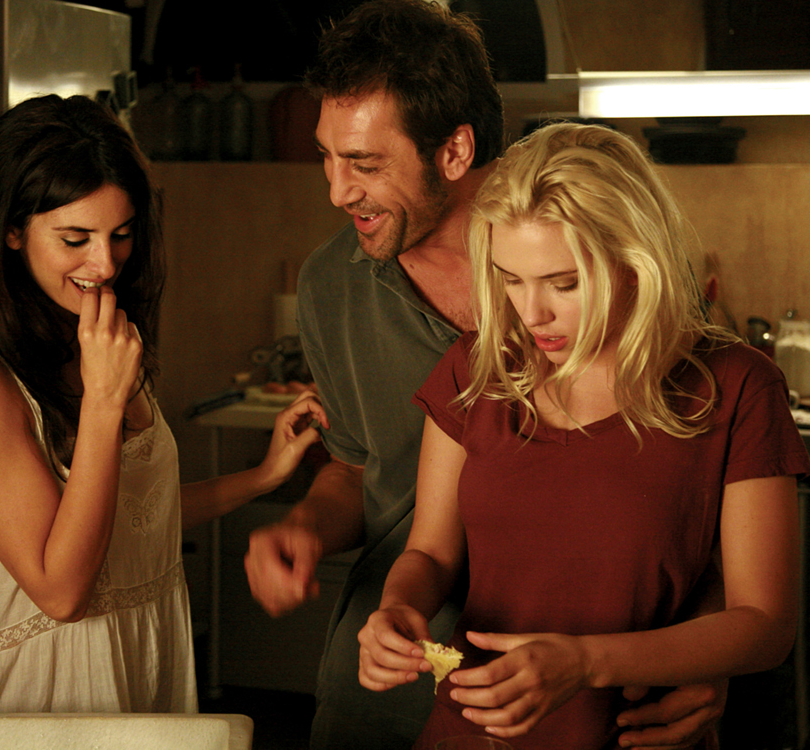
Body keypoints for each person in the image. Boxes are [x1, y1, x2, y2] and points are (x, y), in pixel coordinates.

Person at [243, 2, 728, 749]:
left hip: (595, 697)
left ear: (455, 150)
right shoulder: (331, 285)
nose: (337, 191)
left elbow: (701, 488)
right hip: (393, 684)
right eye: (327, 158)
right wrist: (304, 527)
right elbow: (356, 468)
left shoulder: (619, 259)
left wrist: (705, 653)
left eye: (365, 164)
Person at [356, 122, 810, 750]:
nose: (530, 312)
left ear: (635, 262)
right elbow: (430, 554)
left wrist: (587, 662)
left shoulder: (736, 386)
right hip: (468, 733)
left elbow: (765, 624)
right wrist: (397, 608)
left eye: (563, 283)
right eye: (511, 279)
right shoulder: (476, 368)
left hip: (630, 736)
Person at [0, 94, 326, 716]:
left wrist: (263, 477)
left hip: (129, 666)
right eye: (75, 239)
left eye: (121, 235)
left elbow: (129, 522)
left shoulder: (96, 342)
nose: (104, 264)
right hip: (28, 700)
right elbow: (62, 591)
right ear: (11, 230)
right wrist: (102, 402)